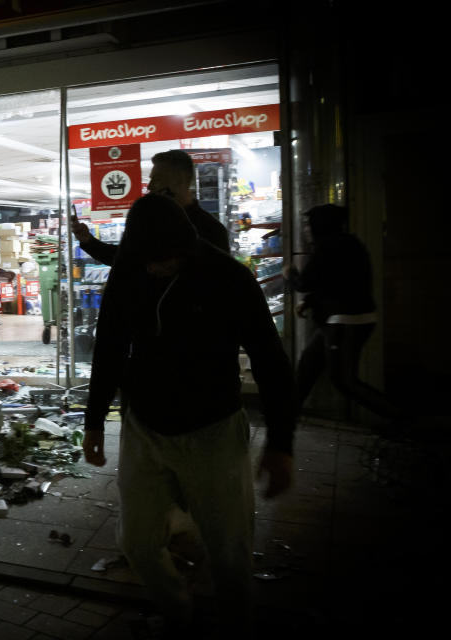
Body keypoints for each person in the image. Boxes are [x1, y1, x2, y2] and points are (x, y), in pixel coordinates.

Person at [83, 193, 296, 637]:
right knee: (137, 542)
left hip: (213, 430)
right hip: (143, 426)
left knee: (229, 552)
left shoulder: (229, 278)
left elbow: (270, 360)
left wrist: (280, 444)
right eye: (145, 261)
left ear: (185, 248)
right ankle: (178, 613)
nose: (152, 270)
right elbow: (109, 345)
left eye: (162, 262)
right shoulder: (131, 267)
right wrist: (94, 420)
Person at [283, 204, 402, 424]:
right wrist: (309, 302)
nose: (306, 229)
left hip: (345, 321)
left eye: (309, 224)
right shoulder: (350, 244)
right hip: (345, 320)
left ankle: (400, 418)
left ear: (321, 224)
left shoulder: (326, 247)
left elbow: (305, 283)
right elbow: (337, 282)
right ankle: (288, 413)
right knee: (309, 364)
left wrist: (290, 273)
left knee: (344, 381)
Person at [72, 149, 230, 264]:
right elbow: (123, 258)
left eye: (158, 180)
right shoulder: (150, 223)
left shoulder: (211, 231)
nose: (150, 187)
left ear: (181, 180)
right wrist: (89, 242)